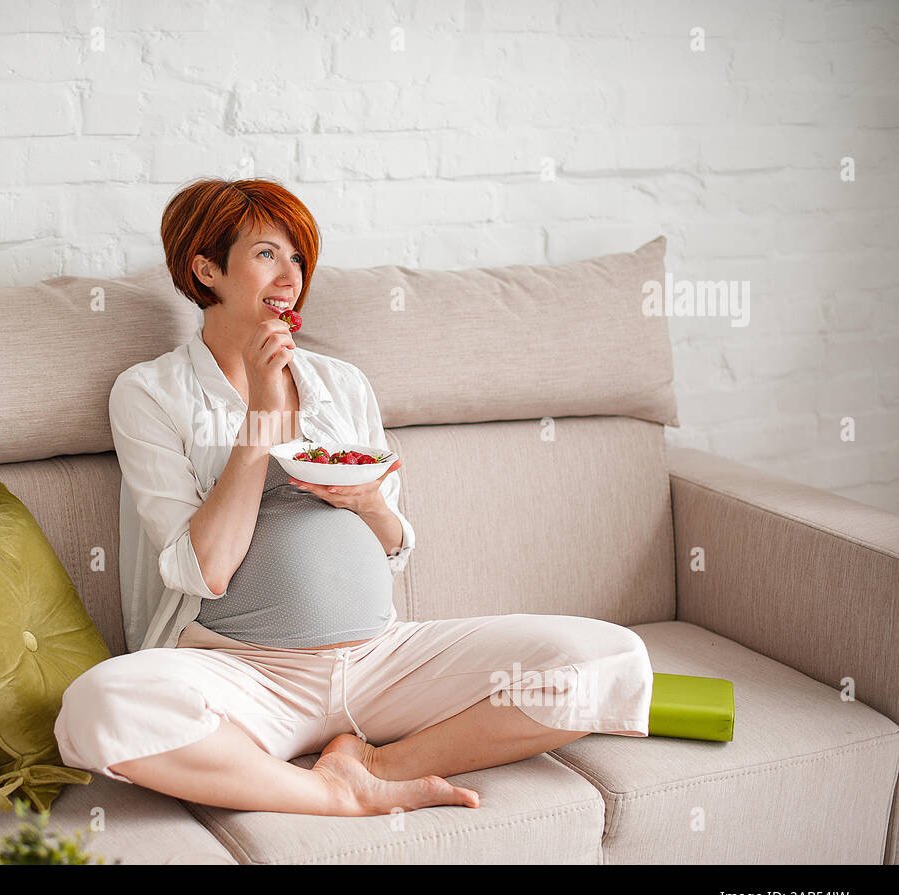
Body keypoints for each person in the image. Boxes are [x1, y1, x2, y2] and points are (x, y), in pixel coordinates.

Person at [54, 177, 653, 817]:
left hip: (381, 659)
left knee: (609, 659)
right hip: (246, 672)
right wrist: (260, 418)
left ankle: (372, 763)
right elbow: (202, 569)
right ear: (205, 270)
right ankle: (329, 794)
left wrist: (368, 503)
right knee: (99, 708)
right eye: (265, 254)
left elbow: (394, 547)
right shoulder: (150, 392)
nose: (290, 276)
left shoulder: (342, 385)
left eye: (298, 258)